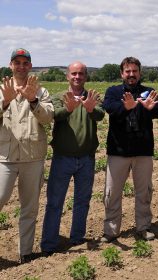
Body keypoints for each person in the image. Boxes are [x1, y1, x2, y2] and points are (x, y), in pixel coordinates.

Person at [41, 61, 105, 254]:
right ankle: (49, 244)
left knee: (82, 200)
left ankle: (77, 238)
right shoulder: (59, 97)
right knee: (55, 202)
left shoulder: (92, 97)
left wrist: (91, 108)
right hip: (62, 158)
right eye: (74, 74)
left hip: (86, 158)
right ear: (67, 76)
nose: (77, 77)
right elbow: (55, 116)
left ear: (86, 77)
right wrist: (68, 109)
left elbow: (100, 115)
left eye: (81, 74)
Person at [0, 48, 54, 263]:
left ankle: (26, 253)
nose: (21, 66)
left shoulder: (40, 91)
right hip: (6, 156)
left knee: (29, 207)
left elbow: (48, 118)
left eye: (25, 62)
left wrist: (33, 101)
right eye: (17, 62)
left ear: (30, 66)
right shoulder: (2, 90)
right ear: (11, 65)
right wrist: (4, 102)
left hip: (33, 156)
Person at [101, 57, 158, 242]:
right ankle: (111, 231)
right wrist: (125, 107)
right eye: (127, 71)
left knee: (144, 192)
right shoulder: (113, 92)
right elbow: (109, 108)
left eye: (134, 71)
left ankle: (143, 227)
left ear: (139, 73)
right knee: (112, 193)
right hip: (118, 150)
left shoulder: (148, 91)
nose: (131, 74)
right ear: (122, 73)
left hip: (143, 150)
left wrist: (152, 109)